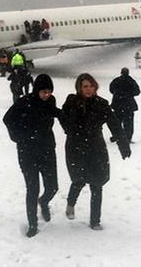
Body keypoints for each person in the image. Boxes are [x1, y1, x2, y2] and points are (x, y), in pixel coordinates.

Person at [59, 73, 131, 230]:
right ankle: (71, 203)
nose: (89, 89)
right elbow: (62, 118)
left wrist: (123, 144)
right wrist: (70, 128)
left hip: (96, 147)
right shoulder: (71, 102)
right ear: (79, 87)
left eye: (91, 86)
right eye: (85, 86)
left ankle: (95, 220)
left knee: (97, 183)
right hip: (76, 147)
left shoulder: (101, 104)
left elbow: (115, 124)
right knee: (79, 179)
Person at [3, 74, 61, 238]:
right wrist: (19, 136)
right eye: (44, 91)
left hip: (47, 150)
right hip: (27, 152)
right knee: (33, 188)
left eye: (49, 91)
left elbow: (53, 112)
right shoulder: (23, 102)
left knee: (53, 187)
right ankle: (32, 224)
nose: (47, 95)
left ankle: (43, 202)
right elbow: (7, 119)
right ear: (37, 90)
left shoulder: (51, 101)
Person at [109, 67, 141, 143]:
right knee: (128, 124)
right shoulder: (131, 81)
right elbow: (137, 91)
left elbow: (111, 89)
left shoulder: (116, 81)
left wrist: (118, 94)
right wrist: (128, 94)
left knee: (117, 122)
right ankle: (127, 138)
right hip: (129, 105)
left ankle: (116, 136)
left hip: (118, 105)